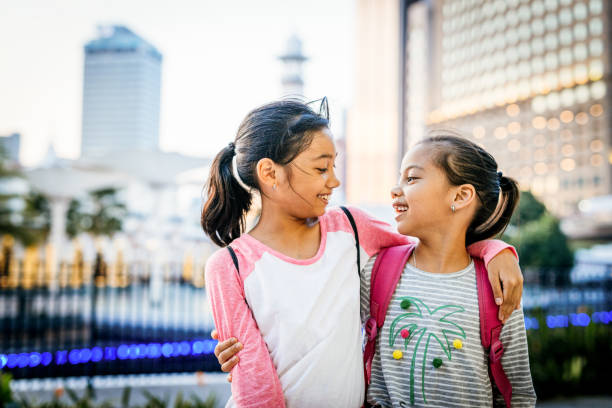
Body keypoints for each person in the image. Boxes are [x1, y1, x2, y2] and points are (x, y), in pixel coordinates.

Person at [203, 100, 523, 408]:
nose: (335, 180)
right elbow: (256, 389)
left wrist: (495, 249)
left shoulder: (351, 228)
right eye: (321, 168)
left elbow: (436, 242)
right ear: (270, 174)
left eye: (333, 166)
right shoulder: (228, 266)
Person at [359, 134, 536, 407]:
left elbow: (519, 394)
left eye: (412, 178)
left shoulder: (497, 287)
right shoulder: (376, 271)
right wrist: (495, 248)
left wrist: (495, 250)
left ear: (461, 195)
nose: (395, 189)